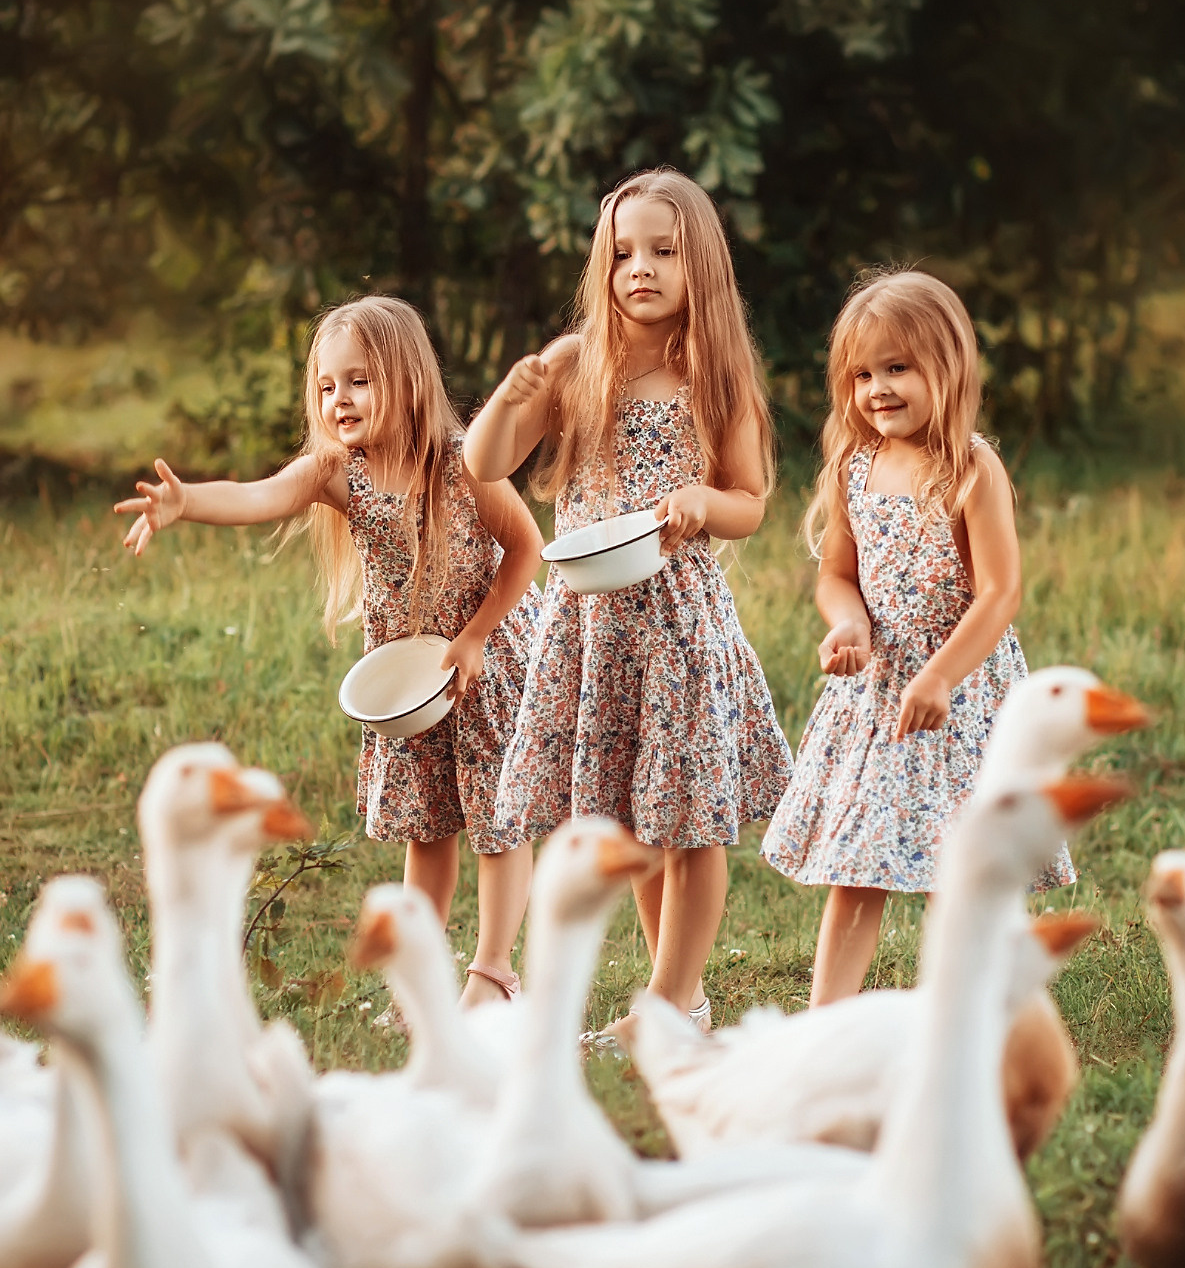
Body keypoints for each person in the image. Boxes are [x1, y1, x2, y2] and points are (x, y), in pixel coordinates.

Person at [116, 295, 541, 1007]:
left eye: (358, 380)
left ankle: (494, 973)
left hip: (482, 661)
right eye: (325, 385)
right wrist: (187, 502)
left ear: (405, 378)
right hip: (409, 680)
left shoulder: (463, 464)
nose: (338, 399)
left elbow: (526, 547)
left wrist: (475, 638)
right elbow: (260, 496)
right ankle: (424, 972)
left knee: (497, 822)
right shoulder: (338, 471)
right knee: (427, 824)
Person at [466, 169, 792, 1042]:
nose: (638, 268)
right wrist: (514, 392)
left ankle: (674, 999)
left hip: (679, 628)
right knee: (638, 813)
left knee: (688, 819)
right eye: (621, 254)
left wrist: (701, 503)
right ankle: (670, 998)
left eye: (661, 250)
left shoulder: (713, 376)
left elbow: (750, 500)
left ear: (701, 266)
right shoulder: (577, 365)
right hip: (591, 626)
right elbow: (484, 460)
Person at [760, 269, 1069, 1005]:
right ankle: (825, 1022)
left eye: (898, 368)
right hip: (878, 698)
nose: (878, 389)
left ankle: (970, 1014)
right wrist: (848, 626)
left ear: (948, 366)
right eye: (863, 374)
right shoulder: (853, 469)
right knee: (856, 867)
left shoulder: (972, 469)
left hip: (959, 696)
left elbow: (1000, 592)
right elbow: (837, 575)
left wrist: (941, 675)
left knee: (958, 865)